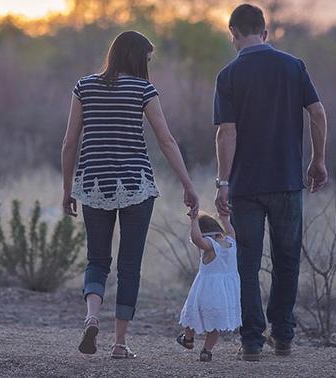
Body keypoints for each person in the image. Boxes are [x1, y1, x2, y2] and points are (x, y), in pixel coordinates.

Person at [61, 30, 200, 359]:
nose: (148, 65)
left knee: (97, 260)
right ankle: (120, 343)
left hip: (93, 184)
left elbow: (69, 143)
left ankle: (92, 316)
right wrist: (188, 184)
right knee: (129, 266)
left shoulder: (84, 87)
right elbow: (166, 141)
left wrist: (68, 189)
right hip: (136, 185)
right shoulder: (143, 89)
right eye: (147, 59)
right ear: (137, 57)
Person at [212, 4, 329, 361]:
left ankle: (251, 342)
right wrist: (318, 160)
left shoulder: (228, 75)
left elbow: (226, 133)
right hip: (288, 182)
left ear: (233, 33)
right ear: (265, 32)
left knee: (247, 263)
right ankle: (283, 336)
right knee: (287, 259)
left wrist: (222, 181)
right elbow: (318, 112)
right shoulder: (293, 67)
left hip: (246, 186)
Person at [175, 210, 241, 362]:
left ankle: (188, 339)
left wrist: (193, 220)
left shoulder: (210, 246)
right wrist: (224, 218)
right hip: (225, 293)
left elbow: (197, 239)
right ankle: (206, 350)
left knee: (191, 314)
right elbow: (230, 230)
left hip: (206, 290)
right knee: (215, 324)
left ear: (205, 234)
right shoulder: (231, 241)